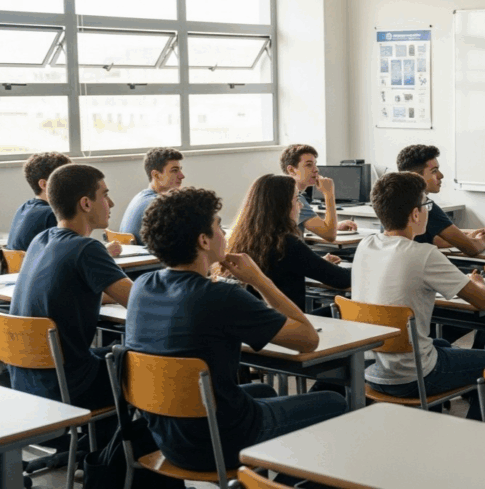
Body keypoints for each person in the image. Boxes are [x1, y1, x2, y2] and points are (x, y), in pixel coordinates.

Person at [126, 187, 347, 471]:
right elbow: (308, 340)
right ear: (204, 240)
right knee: (334, 401)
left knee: (262, 391)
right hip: (218, 442)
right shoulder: (220, 296)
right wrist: (260, 280)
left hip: (169, 437)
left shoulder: (143, 286)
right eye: (219, 226)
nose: (225, 233)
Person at [351, 172, 485, 420]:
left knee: (443, 345)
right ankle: (475, 430)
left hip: (371, 368)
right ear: (415, 214)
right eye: (426, 205)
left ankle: (431, 420)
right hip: (411, 375)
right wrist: (478, 282)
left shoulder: (366, 245)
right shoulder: (424, 254)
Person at [9, 164, 133, 411]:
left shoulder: (41, 240)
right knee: (155, 357)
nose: (111, 203)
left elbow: (70, 295)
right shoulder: (86, 249)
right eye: (105, 195)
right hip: (72, 387)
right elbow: (140, 302)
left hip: (28, 383)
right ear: (85, 203)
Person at [221, 175, 351, 312]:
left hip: (257, 324)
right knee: (347, 308)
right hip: (289, 325)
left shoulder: (240, 238)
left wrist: (317, 263)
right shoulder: (286, 243)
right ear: (282, 207)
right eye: (296, 200)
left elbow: (281, 270)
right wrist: (367, 266)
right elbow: (342, 279)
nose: (300, 205)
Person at [396, 144, 485, 256]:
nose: (441, 175)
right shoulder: (425, 205)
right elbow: (472, 249)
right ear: (416, 176)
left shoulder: (395, 200)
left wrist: (469, 235)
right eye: (434, 171)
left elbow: (434, 239)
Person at [279, 144, 357, 242]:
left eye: (315, 164)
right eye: (309, 165)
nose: (316, 169)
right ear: (291, 170)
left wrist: (335, 225)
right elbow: (330, 235)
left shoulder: (281, 192)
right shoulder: (295, 199)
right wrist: (329, 194)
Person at [119, 147, 185, 244]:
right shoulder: (157, 205)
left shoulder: (140, 197)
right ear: (156, 175)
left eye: (180, 170)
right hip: (150, 258)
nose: (182, 176)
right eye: (174, 171)